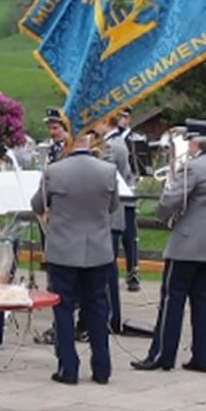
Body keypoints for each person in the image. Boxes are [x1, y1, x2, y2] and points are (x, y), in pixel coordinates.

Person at [133, 120, 206, 373]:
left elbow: (170, 199)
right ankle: (203, 357)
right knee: (203, 299)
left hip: (189, 241)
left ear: (196, 142)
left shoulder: (193, 167)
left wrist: (161, 215)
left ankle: (161, 354)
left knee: (172, 297)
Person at [32, 130, 118, 385]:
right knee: (97, 308)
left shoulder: (54, 171)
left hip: (63, 249)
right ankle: (102, 367)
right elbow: (112, 206)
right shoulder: (107, 170)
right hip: (97, 248)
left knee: (63, 309)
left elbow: (38, 205)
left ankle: (68, 367)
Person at [94, 114, 134, 334]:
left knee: (106, 270)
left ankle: (111, 318)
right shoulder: (115, 142)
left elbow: (102, 178)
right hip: (112, 214)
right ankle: (110, 317)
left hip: (109, 216)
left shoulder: (110, 146)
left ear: (104, 122)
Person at [114, 107, 142, 291]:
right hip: (112, 194)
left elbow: (140, 167)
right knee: (112, 236)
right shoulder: (110, 140)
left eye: (124, 117)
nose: (121, 120)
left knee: (130, 237)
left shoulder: (135, 140)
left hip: (128, 194)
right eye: (118, 117)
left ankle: (133, 273)